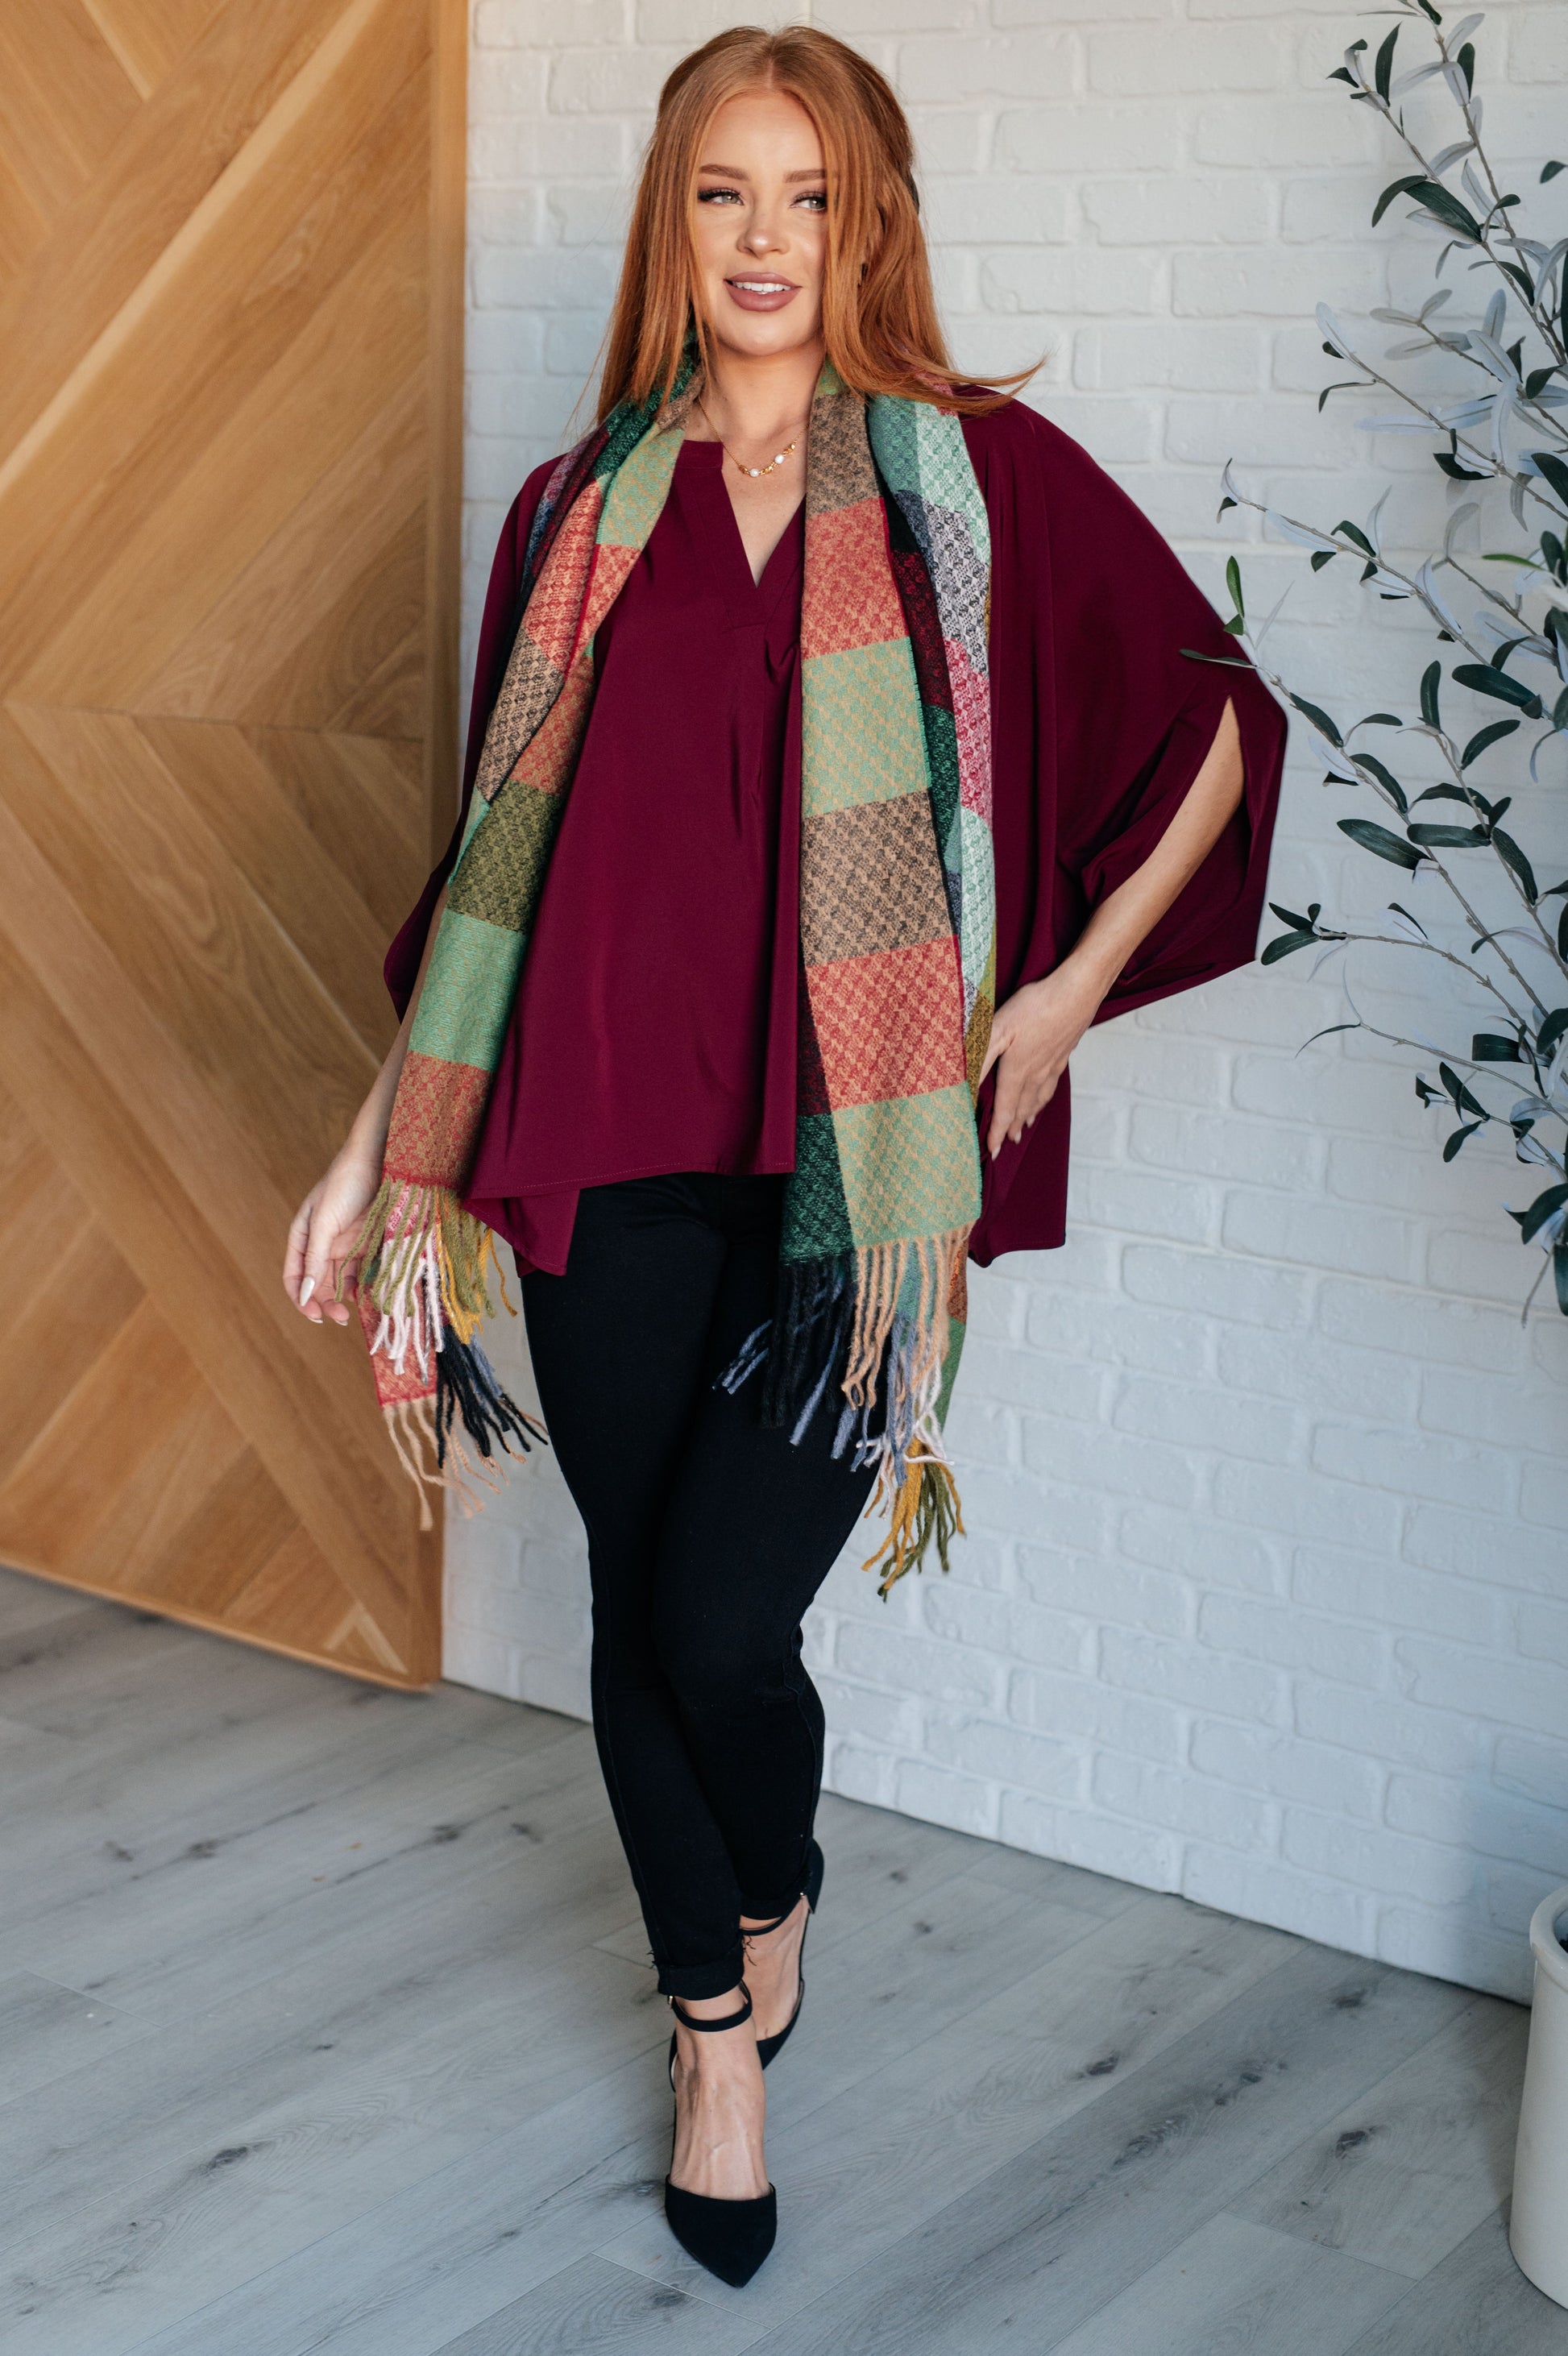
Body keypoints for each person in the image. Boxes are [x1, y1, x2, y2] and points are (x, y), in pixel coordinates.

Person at [283, 23, 1284, 2289]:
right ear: (672, 221)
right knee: (648, 1610)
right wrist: (380, 1156)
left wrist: (1056, 997)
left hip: (855, 1183)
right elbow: (488, 882)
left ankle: (773, 1872)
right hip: (598, 1140)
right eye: (722, 195)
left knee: (727, 1616)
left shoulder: (973, 482)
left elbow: (1217, 717)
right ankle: (716, 2031)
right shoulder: (572, 516)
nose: (761, 241)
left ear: (871, 218)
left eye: (805, 197)